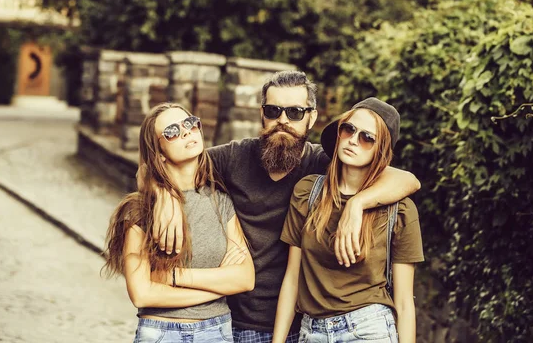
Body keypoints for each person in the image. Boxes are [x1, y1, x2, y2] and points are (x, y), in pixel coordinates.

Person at [152, 71, 421, 342]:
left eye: (294, 112)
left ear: (312, 117)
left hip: (300, 326)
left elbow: (407, 179)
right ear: (262, 113)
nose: (283, 120)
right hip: (230, 320)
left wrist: (358, 204)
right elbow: (160, 163)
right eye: (273, 110)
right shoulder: (233, 158)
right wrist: (165, 196)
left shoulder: (325, 164)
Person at [273, 98, 424, 343]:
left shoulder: (400, 209)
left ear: (380, 150)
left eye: (367, 138)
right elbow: (292, 278)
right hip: (312, 331)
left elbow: (405, 301)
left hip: (369, 328)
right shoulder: (308, 193)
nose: (354, 140)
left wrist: (357, 204)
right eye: (349, 129)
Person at [102, 103, 255, 343]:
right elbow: (142, 295)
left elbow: (245, 278)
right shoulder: (139, 210)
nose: (186, 132)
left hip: (216, 332)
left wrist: (173, 277)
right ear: (158, 151)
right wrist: (217, 287)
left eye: (189, 123)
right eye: (172, 131)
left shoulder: (220, 201)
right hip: (161, 332)